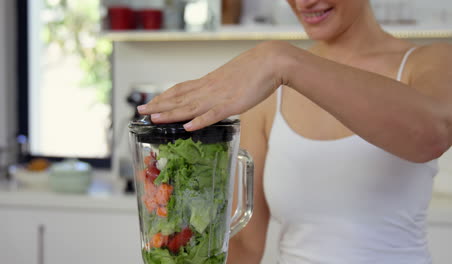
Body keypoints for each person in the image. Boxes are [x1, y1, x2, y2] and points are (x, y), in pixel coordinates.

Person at [138, 0, 452, 263]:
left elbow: (432, 134)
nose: (304, 2)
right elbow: (245, 244)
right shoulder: (271, 86)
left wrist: (281, 59)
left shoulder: (431, 61)